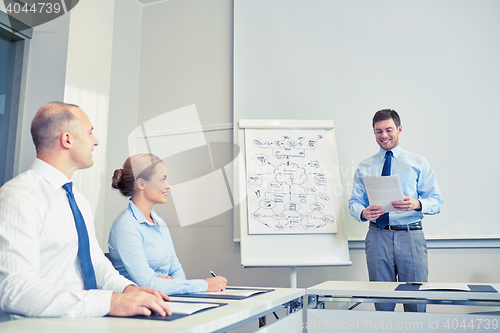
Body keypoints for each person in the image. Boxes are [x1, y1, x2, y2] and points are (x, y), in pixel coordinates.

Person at [0, 102, 171, 320]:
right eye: (90, 132)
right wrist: (109, 302)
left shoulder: (78, 200)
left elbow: (95, 261)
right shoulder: (19, 196)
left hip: (82, 322)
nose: (96, 141)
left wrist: (128, 290)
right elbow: (13, 289)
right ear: (67, 139)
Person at [349, 109, 443, 312]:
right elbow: (354, 202)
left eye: (388, 130)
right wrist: (363, 213)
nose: (383, 136)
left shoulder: (418, 163)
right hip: (377, 236)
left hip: (410, 236)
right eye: (378, 131)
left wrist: (417, 204)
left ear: (399, 129)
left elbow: (436, 201)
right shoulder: (364, 166)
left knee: (415, 303)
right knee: (382, 302)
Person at [108, 154, 228, 295]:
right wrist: (204, 285)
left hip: (166, 300)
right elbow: (147, 284)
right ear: (141, 183)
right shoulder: (126, 227)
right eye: (162, 179)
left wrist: (168, 284)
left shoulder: (159, 221)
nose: (168, 186)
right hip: (138, 307)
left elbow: (176, 270)